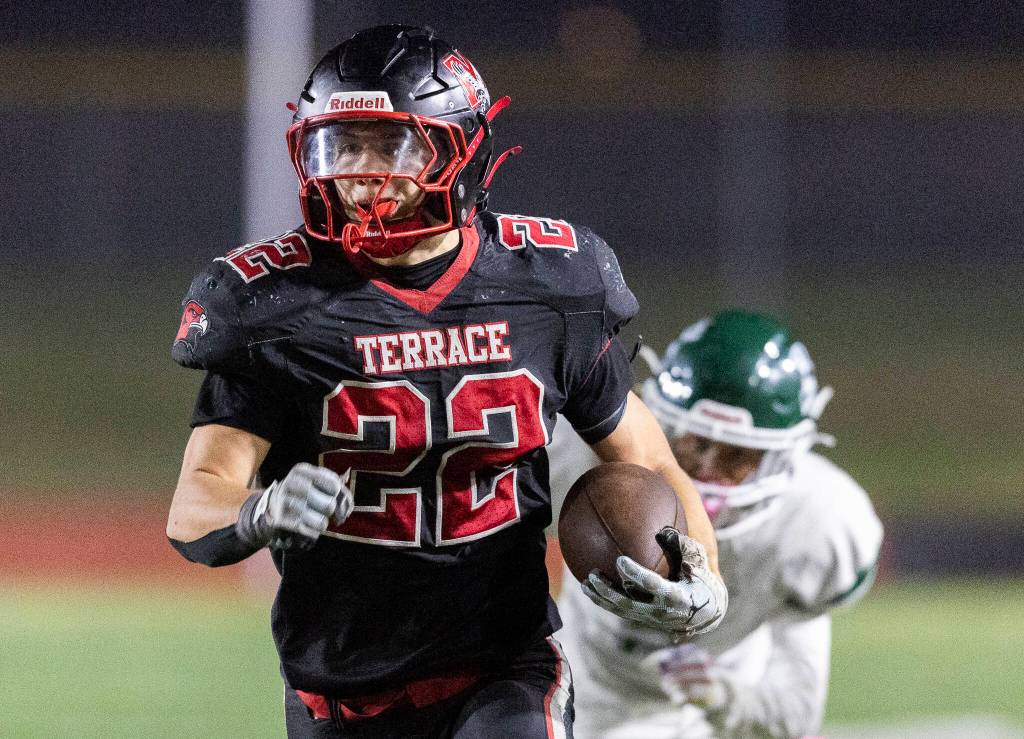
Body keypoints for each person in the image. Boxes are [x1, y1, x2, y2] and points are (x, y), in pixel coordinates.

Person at [165, 25, 726, 739]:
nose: (359, 170)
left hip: (502, 670)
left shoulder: (550, 287)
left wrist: (707, 571)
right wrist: (261, 510)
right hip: (336, 688)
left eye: (390, 144)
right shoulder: (275, 303)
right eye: (341, 144)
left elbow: (646, 459)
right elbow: (194, 502)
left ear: (457, 148)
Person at [550, 310, 883, 738]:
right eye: (696, 443)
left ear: (779, 458)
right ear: (662, 425)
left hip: (725, 688)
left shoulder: (818, 521)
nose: (707, 471)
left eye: (738, 454)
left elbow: (794, 716)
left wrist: (725, 697)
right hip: (589, 687)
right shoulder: (580, 456)